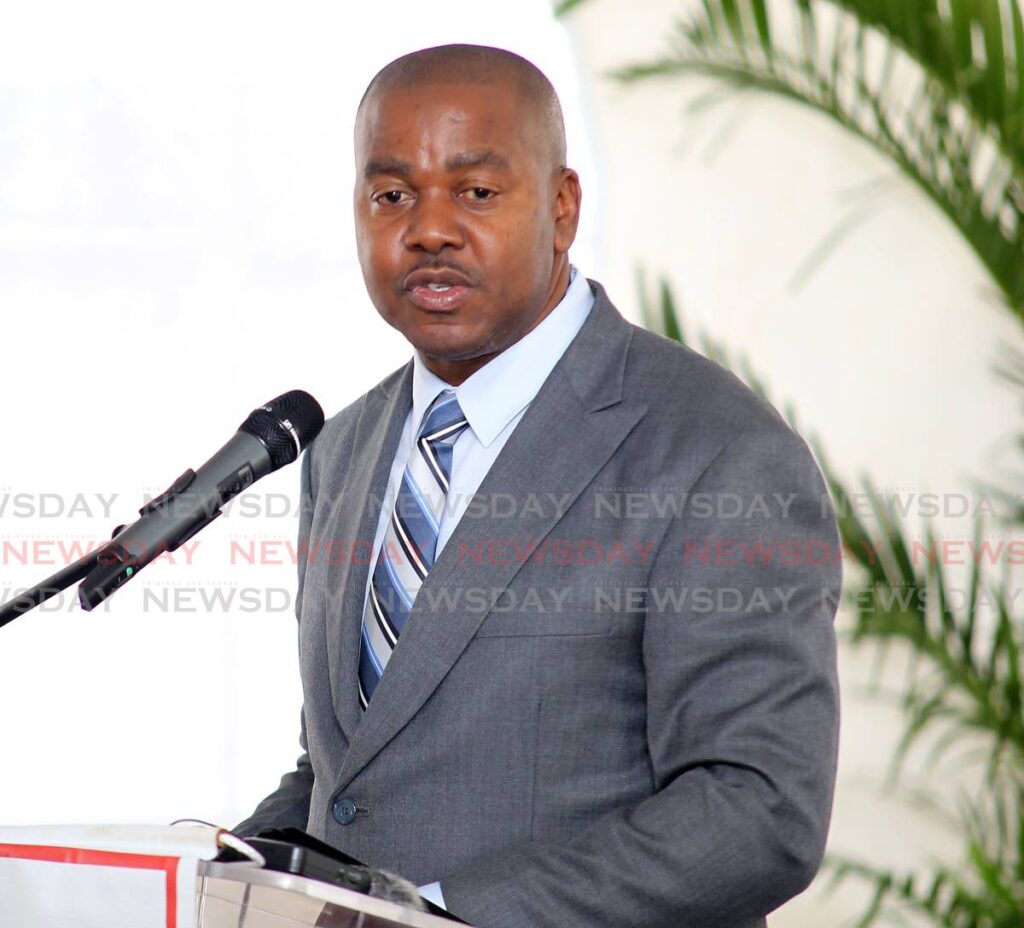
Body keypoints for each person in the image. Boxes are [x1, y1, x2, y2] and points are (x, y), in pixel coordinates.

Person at [235, 43, 841, 928]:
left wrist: (435, 918)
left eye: (475, 192)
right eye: (391, 194)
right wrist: (216, 876)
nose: (428, 228)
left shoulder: (716, 452)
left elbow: (758, 812)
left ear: (562, 208)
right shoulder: (343, 447)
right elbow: (348, 774)